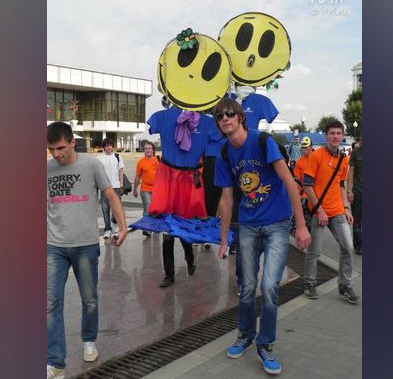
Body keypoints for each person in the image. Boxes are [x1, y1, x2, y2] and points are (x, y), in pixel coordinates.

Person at [213, 98, 311, 375]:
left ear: (240, 117)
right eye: (219, 116)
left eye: (229, 113)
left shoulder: (263, 141)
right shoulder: (224, 153)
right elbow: (226, 199)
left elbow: (289, 181)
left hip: (277, 223)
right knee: (246, 286)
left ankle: (265, 344)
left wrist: (301, 224)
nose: (224, 118)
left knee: (268, 287)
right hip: (248, 225)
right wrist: (223, 240)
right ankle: (245, 335)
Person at [46, 122, 127, 379]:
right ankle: (55, 363)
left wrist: (122, 226)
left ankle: (89, 340)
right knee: (50, 304)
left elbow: (111, 195)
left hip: (85, 245)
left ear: (73, 142)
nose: (56, 154)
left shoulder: (91, 165)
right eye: (51, 149)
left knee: (89, 299)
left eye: (60, 148)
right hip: (54, 247)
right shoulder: (46, 168)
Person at [147, 107, 220, 287]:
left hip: (188, 180)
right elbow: (153, 126)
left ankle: (190, 258)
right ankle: (169, 274)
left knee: (184, 229)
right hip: (167, 178)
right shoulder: (164, 116)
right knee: (167, 232)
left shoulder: (207, 122)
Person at [302, 120, 361, 304]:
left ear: (343, 136)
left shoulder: (343, 159)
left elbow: (340, 185)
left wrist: (345, 208)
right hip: (318, 212)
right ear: (326, 135)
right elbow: (307, 185)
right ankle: (309, 283)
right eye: (332, 133)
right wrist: (319, 211)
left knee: (347, 247)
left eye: (338, 133)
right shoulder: (315, 156)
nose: (336, 136)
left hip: (337, 211)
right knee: (315, 251)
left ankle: (344, 285)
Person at [95, 138, 124, 240]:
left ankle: (115, 225)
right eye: (107, 146)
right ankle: (107, 229)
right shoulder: (99, 158)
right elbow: (96, 173)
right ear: (104, 147)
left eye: (110, 145)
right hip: (104, 187)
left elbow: (121, 171)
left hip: (116, 186)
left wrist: (121, 184)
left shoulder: (117, 157)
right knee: (105, 208)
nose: (109, 147)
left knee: (116, 208)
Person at [133, 141, 159, 237]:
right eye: (145, 148)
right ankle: (146, 228)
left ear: (153, 150)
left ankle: (153, 227)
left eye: (149, 148)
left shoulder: (158, 160)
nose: (147, 150)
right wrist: (135, 189)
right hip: (145, 189)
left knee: (156, 210)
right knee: (148, 208)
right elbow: (137, 177)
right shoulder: (141, 162)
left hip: (157, 190)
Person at [347, 134, 363, 255]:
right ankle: (358, 246)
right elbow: (351, 172)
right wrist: (349, 190)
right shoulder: (356, 153)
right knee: (357, 221)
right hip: (358, 192)